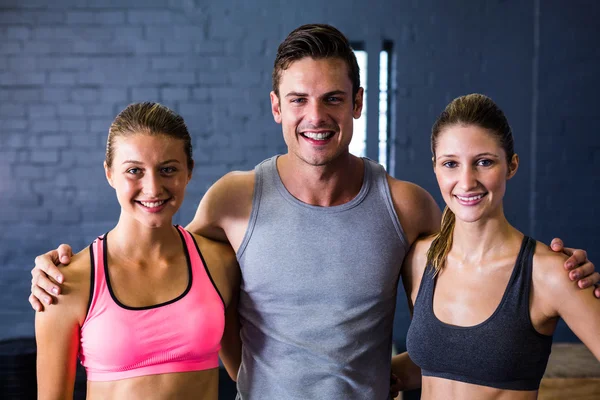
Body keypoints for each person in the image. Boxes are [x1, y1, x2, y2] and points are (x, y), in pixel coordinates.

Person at [29, 25, 599, 399]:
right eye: (298, 99)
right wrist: (61, 269)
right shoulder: (233, 199)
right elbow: (176, 274)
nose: (315, 115)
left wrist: (550, 269)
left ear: (357, 103)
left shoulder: (405, 205)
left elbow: (466, 283)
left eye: (332, 98)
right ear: (277, 107)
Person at [35, 102, 241, 400]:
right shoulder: (65, 283)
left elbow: (249, 374)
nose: (153, 188)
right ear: (109, 174)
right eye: (134, 171)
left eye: (168, 169)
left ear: (189, 172)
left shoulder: (220, 263)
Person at [400, 93, 600, 399]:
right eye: (451, 163)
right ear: (436, 169)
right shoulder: (421, 260)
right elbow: (445, 360)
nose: (466, 182)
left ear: (511, 165)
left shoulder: (550, 273)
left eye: (484, 162)